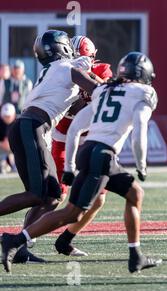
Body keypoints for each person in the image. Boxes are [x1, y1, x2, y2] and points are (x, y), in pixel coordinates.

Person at [1, 51, 161, 274]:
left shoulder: (105, 90)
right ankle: (16, 240)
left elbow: (75, 128)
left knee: (128, 196)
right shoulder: (144, 93)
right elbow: (140, 130)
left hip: (87, 152)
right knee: (72, 212)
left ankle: (135, 256)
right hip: (103, 155)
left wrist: (68, 168)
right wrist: (141, 164)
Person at [0, 29, 96, 255]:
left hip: (27, 126)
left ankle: (19, 247)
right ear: (62, 48)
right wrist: (114, 88)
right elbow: (97, 90)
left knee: (52, 195)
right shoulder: (68, 69)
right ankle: (16, 245)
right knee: (37, 194)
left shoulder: (52, 71)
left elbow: (71, 108)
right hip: (33, 127)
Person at [52, 35, 113, 257]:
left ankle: (66, 239)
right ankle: (23, 239)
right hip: (63, 138)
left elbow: (107, 94)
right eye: (77, 59)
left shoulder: (102, 71)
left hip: (90, 141)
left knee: (98, 198)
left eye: (84, 59)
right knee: (55, 195)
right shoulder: (60, 74)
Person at [0, 103, 16, 173]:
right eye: (5, 116)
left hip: (13, 148)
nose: (7, 118)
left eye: (9, 116)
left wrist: (11, 144)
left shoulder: (18, 123)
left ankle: (14, 165)